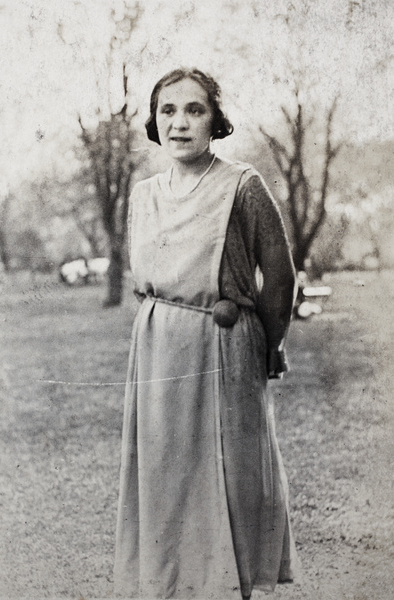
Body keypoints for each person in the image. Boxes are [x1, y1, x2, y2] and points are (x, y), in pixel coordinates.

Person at [114, 67, 299, 600]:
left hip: (223, 346)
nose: (179, 123)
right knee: (166, 478)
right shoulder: (144, 194)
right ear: (154, 121)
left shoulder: (243, 185)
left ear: (216, 121)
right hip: (157, 352)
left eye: (195, 110)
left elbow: (279, 273)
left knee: (227, 477)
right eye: (167, 111)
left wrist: (271, 343)